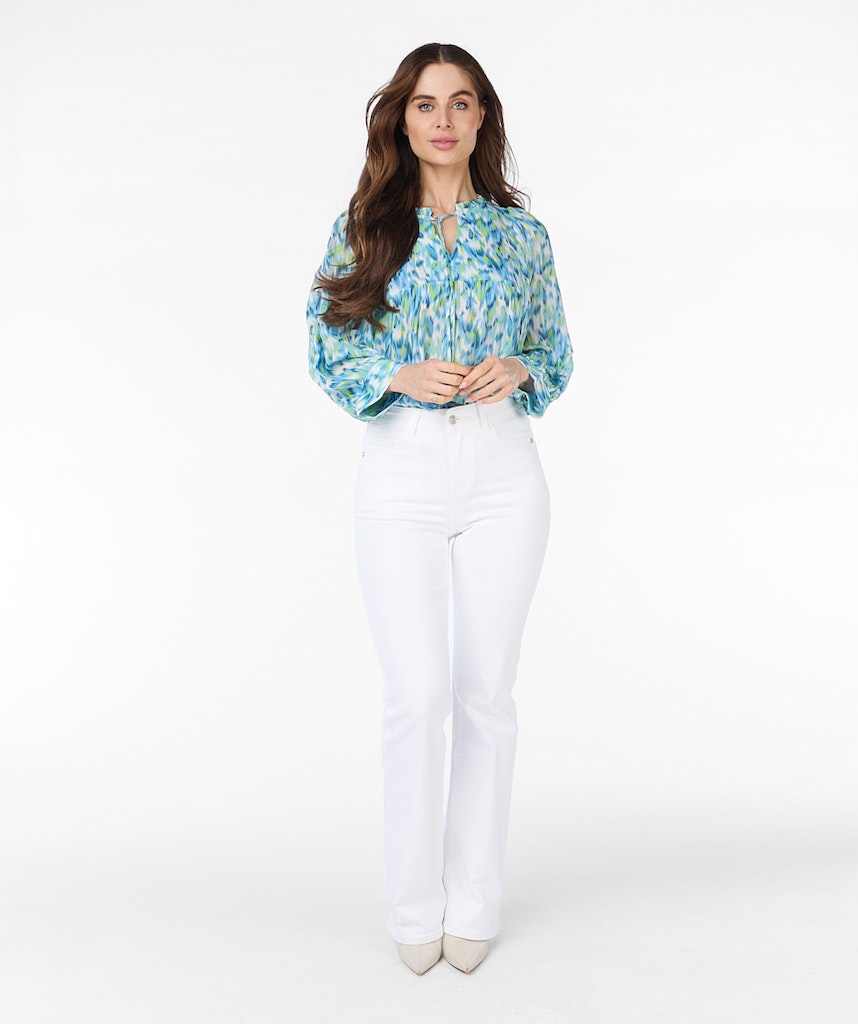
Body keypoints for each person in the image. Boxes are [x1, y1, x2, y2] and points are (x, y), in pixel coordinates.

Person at [306, 42, 573, 975]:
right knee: (416, 697)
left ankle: (476, 901)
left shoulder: (522, 236)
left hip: (503, 467)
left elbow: (556, 351)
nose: (444, 120)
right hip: (402, 469)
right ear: (404, 119)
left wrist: (521, 367)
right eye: (426, 104)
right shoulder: (364, 228)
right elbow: (325, 348)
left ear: (482, 116)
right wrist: (398, 373)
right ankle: (415, 907)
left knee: (485, 694)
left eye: (461, 102)